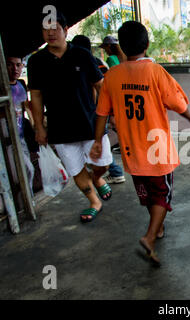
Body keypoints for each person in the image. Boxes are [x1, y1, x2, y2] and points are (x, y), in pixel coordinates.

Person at [90, 21, 190, 265]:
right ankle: (150, 236)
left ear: (121, 48)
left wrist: (98, 141)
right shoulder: (155, 71)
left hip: (132, 151)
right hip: (157, 149)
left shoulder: (112, 76)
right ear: (147, 45)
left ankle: (157, 229)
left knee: (148, 194)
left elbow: (101, 113)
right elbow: (178, 104)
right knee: (162, 195)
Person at [28, 11, 113, 222]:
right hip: (60, 129)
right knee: (75, 170)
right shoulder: (36, 61)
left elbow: (101, 86)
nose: (50, 33)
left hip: (90, 124)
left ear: (65, 30)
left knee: (103, 163)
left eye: (55, 28)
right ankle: (94, 201)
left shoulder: (82, 55)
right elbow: (36, 95)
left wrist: (109, 115)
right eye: (46, 30)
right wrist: (39, 126)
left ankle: (98, 178)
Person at [71, 35, 126, 184]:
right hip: (106, 107)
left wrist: (104, 111)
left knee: (98, 142)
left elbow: (98, 88)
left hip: (97, 110)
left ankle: (113, 172)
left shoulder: (89, 63)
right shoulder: (100, 62)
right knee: (101, 140)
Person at [5, 54, 35, 196]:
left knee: (28, 170)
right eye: (11, 65)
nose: (15, 69)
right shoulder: (3, 87)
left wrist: (35, 125)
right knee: (17, 172)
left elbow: (25, 107)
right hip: (7, 136)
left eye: (18, 65)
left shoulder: (21, 84)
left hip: (21, 135)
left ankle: (28, 199)